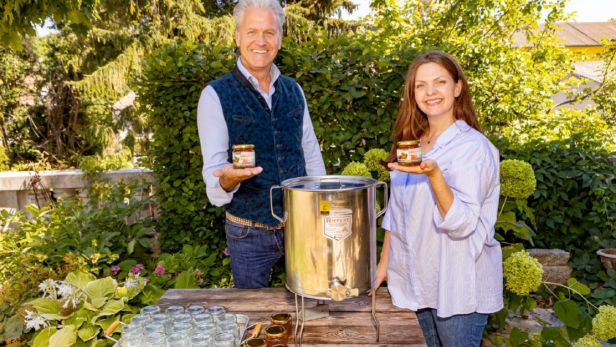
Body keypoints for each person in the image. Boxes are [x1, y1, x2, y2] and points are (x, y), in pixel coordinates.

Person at [373, 51, 503, 346]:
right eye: (421, 85)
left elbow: (463, 223)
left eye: (439, 82)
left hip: (457, 288)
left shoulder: (474, 148)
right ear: (412, 93)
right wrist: (384, 266)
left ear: (457, 88)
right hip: (416, 282)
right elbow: (398, 212)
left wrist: (434, 174)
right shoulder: (413, 143)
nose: (430, 92)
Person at [196, 0, 326, 289]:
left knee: (312, 305)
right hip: (248, 231)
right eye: (252, 31)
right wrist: (228, 181)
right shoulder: (215, 95)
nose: (261, 41)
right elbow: (216, 175)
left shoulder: (294, 90)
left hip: (301, 225)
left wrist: (322, 211)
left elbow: (311, 155)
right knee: (251, 315)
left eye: (269, 32)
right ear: (237, 36)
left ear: (279, 38)